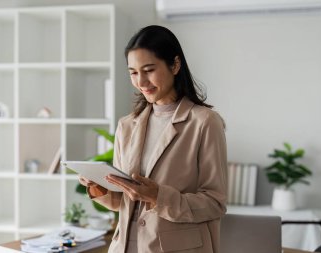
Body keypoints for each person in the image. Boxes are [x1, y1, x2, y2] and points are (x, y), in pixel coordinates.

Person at [79, 25, 227, 253]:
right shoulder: (126, 126)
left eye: (149, 70)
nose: (141, 81)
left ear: (175, 65)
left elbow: (214, 204)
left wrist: (158, 196)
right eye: (133, 72)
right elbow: (123, 202)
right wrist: (100, 188)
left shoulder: (205, 122)